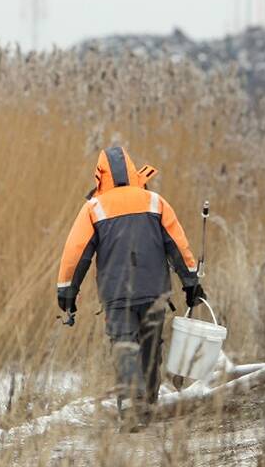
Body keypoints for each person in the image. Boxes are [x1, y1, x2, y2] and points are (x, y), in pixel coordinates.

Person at [56, 146, 205, 422]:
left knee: (124, 344)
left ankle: (133, 407)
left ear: (100, 176)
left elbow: (76, 253)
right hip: (154, 291)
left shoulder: (94, 208)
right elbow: (179, 245)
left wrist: (67, 291)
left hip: (116, 294)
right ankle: (148, 402)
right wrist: (191, 282)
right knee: (150, 345)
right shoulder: (155, 201)